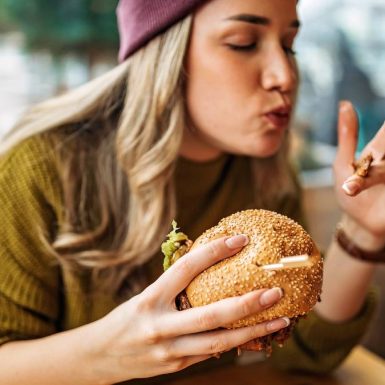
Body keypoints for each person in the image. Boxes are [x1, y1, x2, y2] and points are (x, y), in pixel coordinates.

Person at [0, 0, 383, 384]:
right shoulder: (39, 169)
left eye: (289, 45)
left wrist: (363, 230)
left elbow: (303, 348)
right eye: (243, 42)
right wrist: (104, 354)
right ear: (166, 54)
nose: (285, 74)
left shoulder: (264, 176)